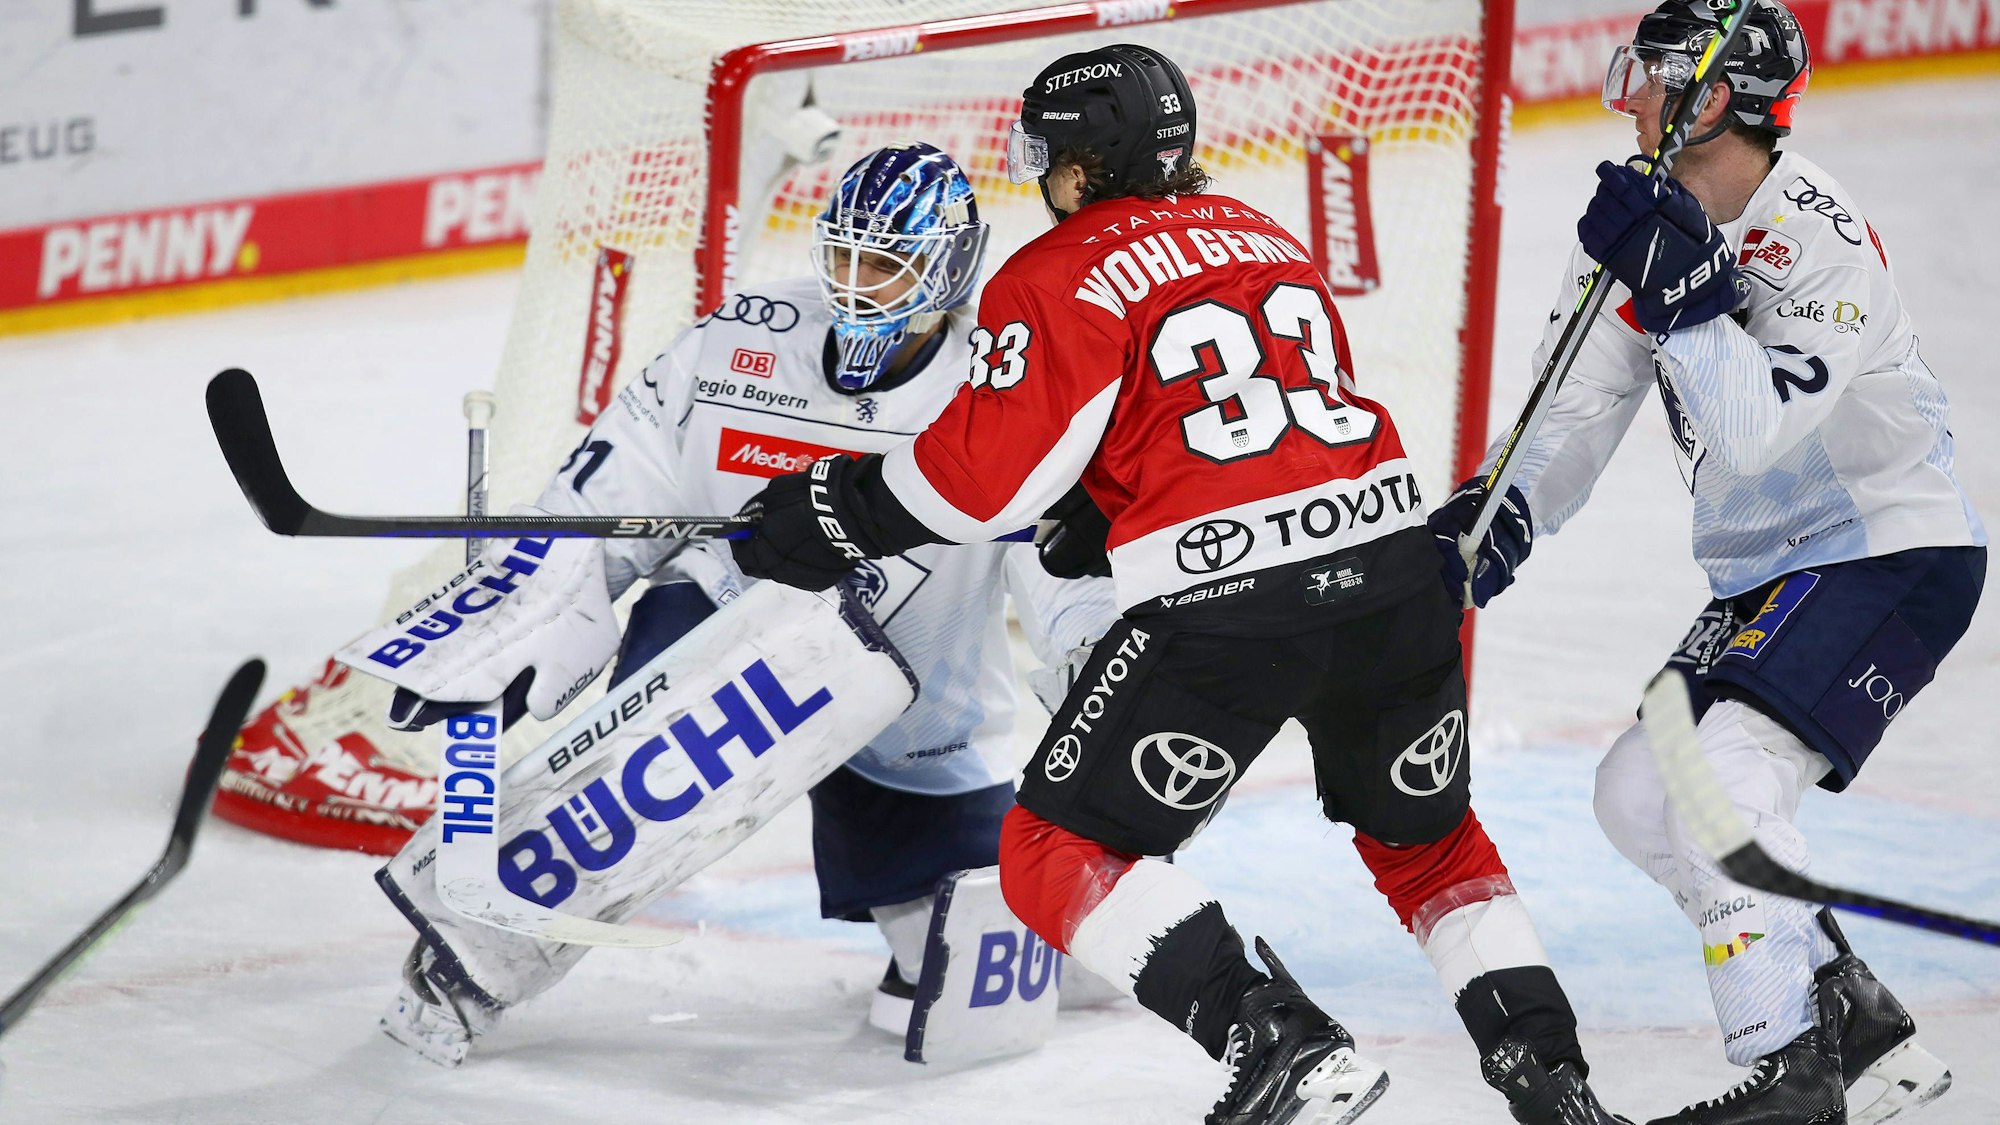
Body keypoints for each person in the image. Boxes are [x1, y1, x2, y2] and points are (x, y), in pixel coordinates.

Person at [732, 44, 1628, 1125]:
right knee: (1429, 846)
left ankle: (1277, 1043)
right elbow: (1255, 430)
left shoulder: (1053, 270)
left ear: (1082, 161)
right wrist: (1105, 510)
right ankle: (1552, 1081)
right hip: (1395, 578)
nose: (1040, 173)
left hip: (1232, 607)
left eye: (1048, 152)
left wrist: (828, 510)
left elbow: (967, 489)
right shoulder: (1264, 235)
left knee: (1052, 850)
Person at [373, 142, 1120, 1064]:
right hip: (721, 622)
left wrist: (1093, 641)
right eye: (842, 255)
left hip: (917, 681)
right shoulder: (746, 339)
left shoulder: (1001, 381)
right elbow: (619, 479)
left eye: (884, 266)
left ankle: (1022, 932)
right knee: (628, 793)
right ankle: (463, 962)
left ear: (949, 274)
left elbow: (1060, 545)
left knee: (966, 963)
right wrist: (531, 602)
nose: (854, 286)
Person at [1430, 4, 1979, 1122]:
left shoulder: (1812, 232)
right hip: (1764, 575)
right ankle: (1857, 1030)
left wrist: (1681, 295)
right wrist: (1500, 515)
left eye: (1646, 75)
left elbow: (1753, 427)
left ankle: (1790, 1077)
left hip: (1886, 548)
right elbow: (1574, 401)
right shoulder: (1652, 216)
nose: (1622, 93)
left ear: (1712, 96)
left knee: (1723, 785)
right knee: (1637, 794)